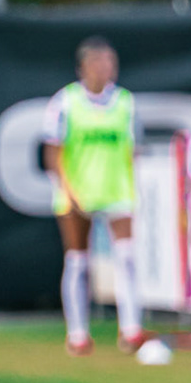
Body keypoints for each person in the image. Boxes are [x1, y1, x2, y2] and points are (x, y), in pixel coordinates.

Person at [43, 37, 143, 355]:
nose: (105, 68)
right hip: (77, 194)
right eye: (99, 62)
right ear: (84, 67)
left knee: (126, 258)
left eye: (110, 62)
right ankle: (77, 334)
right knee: (77, 262)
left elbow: (132, 150)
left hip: (116, 190)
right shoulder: (65, 102)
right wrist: (68, 190)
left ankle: (130, 330)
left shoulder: (125, 102)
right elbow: (53, 152)